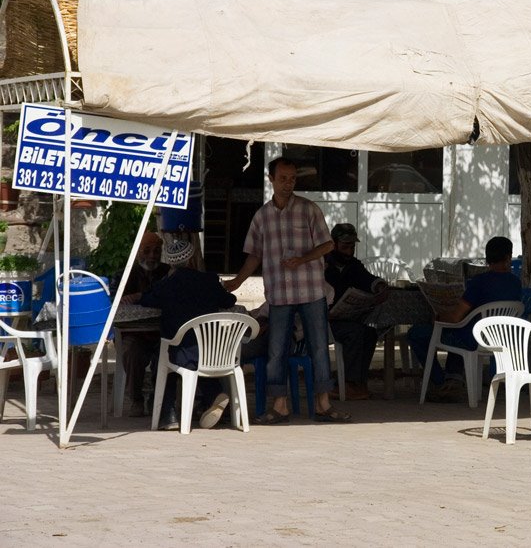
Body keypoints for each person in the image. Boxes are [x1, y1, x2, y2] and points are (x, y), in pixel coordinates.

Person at [224, 156, 348, 424]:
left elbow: (328, 245)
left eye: (292, 179)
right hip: (279, 293)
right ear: (271, 179)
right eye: (282, 179)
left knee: (318, 348)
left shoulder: (308, 209)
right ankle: (279, 406)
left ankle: (323, 404)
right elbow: (254, 256)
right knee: (276, 350)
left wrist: (303, 259)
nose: (288, 184)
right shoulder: (262, 216)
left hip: (311, 291)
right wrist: (237, 282)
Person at [139, 239, 240, 430]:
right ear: (193, 259)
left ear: (169, 262)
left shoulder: (167, 285)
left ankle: (168, 415)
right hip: (214, 352)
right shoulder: (209, 280)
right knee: (191, 354)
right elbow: (229, 300)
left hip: (180, 353)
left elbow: (147, 300)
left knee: (162, 356)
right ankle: (213, 395)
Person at [408, 236, 522, 402]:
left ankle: (440, 381)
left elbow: (455, 317)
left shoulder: (479, 282)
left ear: (488, 258)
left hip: (473, 339)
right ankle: (453, 379)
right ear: (508, 257)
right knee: (460, 328)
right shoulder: (516, 283)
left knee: (416, 333)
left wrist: (439, 316)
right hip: (499, 338)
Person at [324, 222, 388, 401]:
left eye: (352, 246)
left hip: (345, 318)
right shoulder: (322, 265)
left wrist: (379, 285)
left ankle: (358, 382)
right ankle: (349, 383)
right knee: (355, 332)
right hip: (325, 321)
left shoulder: (354, 265)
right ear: (334, 244)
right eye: (345, 246)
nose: (349, 251)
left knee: (369, 333)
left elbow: (368, 279)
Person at [118, 231, 169, 417]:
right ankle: (136, 399)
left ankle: (157, 400)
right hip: (135, 334)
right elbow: (117, 300)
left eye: (156, 251)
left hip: (160, 333)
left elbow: (165, 296)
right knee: (132, 351)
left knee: (165, 353)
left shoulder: (166, 272)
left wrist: (141, 297)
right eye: (147, 251)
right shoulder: (126, 274)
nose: (152, 256)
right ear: (138, 252)